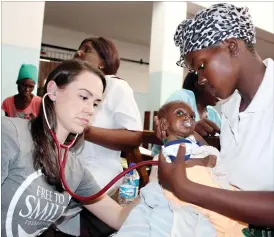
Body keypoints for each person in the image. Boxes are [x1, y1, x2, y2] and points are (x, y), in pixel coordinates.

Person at [157, 2, 274, 233]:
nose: (200, 79)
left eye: (201, 66)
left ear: (231, 46)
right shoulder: (230, 108)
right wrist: (187, 136)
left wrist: (186, 188)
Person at [1, 59, 138, 237]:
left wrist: (155, 182)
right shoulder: (10, 134)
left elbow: (118, 217)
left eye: (95, 103)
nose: (90, 110)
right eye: (83, 97)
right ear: (53, 91)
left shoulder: (74, 169)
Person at [59, 37, 143, 237]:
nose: (79, 53)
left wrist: (86, 131)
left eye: (86, 50)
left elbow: (134, 137)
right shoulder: (72, 89)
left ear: (102, 63)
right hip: (68, 167)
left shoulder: (115, 86)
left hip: (99, 172)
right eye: (78, 49)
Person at [152, 72, 221, 156]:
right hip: (168, 161)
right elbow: (161, 128)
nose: (220, 90)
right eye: (216, 84)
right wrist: (192, 128)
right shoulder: (183, 97)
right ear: (199, 83)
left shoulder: (213, 114)